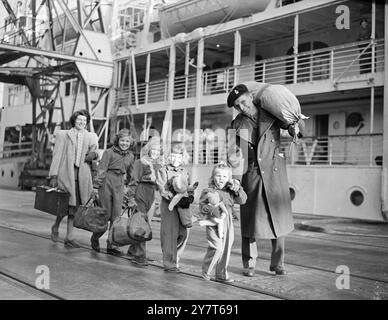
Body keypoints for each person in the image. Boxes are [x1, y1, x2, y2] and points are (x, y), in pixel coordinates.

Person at [227, 83, 298, 276]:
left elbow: (293, 125)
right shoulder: (238, 125)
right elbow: (237, 154)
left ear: (250, 96)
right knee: (250, 222)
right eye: (237, 106)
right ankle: (249, 264)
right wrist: (235, 181)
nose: (241, 107)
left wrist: (294, 128)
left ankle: (278, 264)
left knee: (279, 219)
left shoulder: (272, 113)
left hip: (275, 173)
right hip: (252, 175)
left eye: (242, 102)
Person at [48, 109, 99, 248]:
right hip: (66, 174)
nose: (82, 122)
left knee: (74, 208)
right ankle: (56, 226)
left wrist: (94, 155)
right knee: (64, 207)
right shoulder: (64, 135)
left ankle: (69, 237)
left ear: (87, 122)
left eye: (84, 120)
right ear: (74, 121)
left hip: (82, 175)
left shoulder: (91, 136)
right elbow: (57, 155)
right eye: (79, 120)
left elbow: (95, 152)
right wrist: (53, 175)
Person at [199, 163, 247, 283]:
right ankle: (206, 271)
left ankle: (221, 274)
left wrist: (238, 189)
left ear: (229, 179)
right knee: (217, 247)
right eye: (218, 176)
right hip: (213, 222)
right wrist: (213, 209)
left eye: (224, 177)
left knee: (226, 248)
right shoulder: (208, 191)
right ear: (213, 177)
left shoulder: (230, 191)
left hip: (228, 220)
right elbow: (202, 207)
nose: (221, 179)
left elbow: (243, 200)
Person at [90, 129, 135, 256]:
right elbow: (101, 169)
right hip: (106, 182)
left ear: (131, 142)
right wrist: (95, 187)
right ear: (117, 140)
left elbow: (132, 175)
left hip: (120, 183)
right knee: (105, 214)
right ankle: (95, 237)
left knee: (116, 216)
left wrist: (131, 191)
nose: (124, 143)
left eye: (127, 141)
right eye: (122, 140)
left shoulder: (131, 156)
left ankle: (111, 245)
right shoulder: (109, 152)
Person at [156, 142, 194, 272]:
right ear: (168, 157)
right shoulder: (163, 170)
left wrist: (189, 196)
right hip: (169, 207)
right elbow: (162, 188)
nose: (175, 159)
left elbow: (188, 187)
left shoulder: (185, 171)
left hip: (183, 207)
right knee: (169, 234)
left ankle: (175, 256)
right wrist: (173, 197)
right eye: (172, 156)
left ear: (183, 157)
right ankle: (169, 262)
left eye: (178, 157)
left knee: (184, 232)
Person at [126, 136, 162, 266]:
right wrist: (130, 198)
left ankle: (133, 250)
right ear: (148, 149)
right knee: (142, 225)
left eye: (159, 150)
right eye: (154, 150)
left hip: (152, 195)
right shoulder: (140, 162)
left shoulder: (157, 165)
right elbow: (133, 181)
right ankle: (140, 255)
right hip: (140, 192)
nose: (156, 152)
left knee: (146, 225)